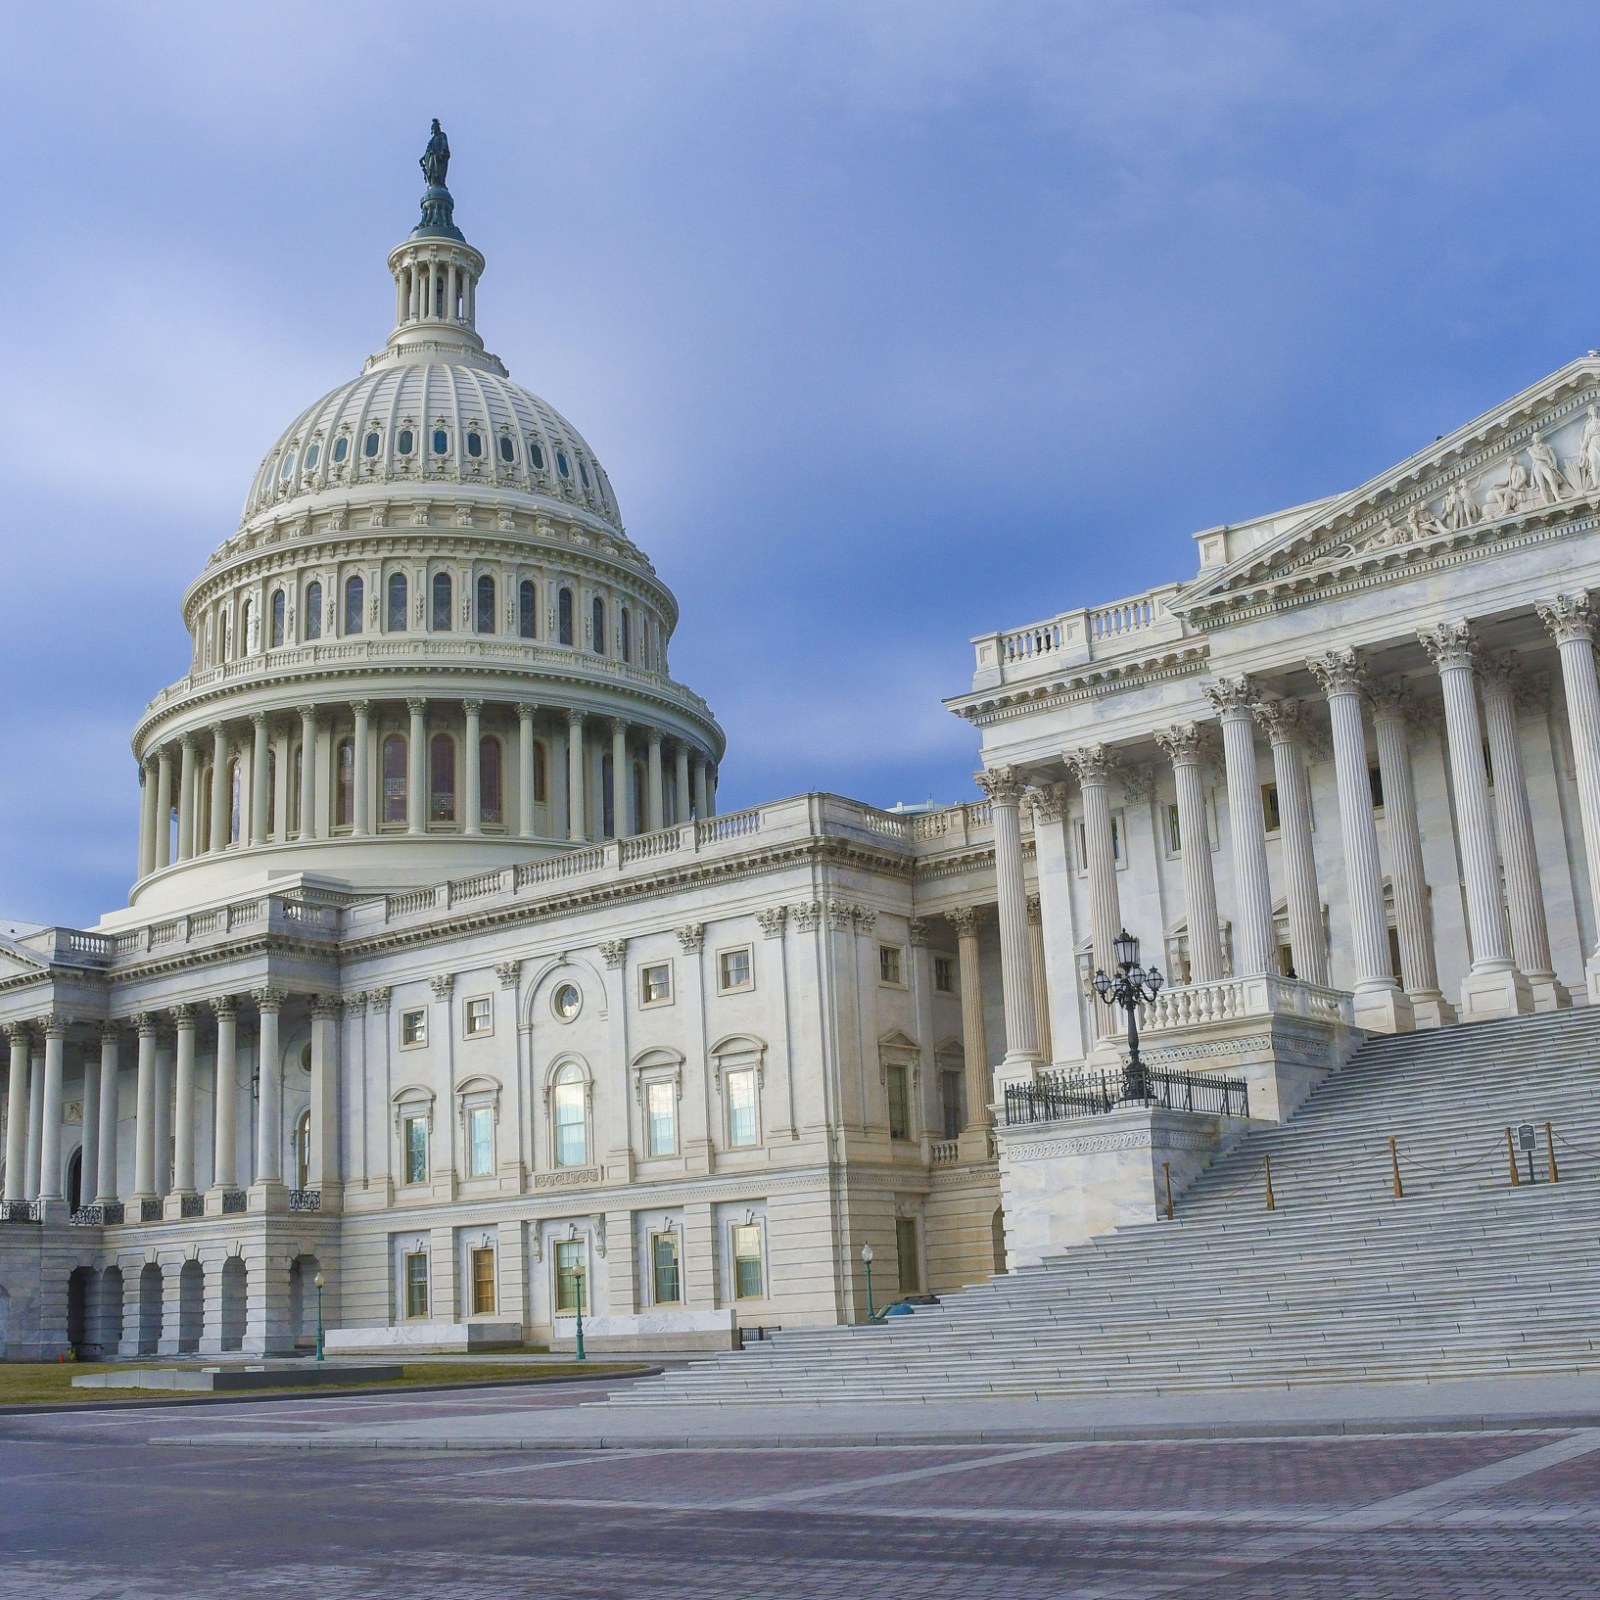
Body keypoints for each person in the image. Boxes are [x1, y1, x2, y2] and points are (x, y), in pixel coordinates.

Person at [421, 119, 450, 188]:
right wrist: (423, 158)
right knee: (431, 171)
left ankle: (439, 182)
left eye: (435, 127)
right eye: (433, 128)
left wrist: (442, 152)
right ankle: (433, 182)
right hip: (430, 157)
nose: (434, 129)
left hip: (438, 158)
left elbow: (444, 145)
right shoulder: (432, 140)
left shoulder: (442, 135)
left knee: (438, 171)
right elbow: (427, 150)